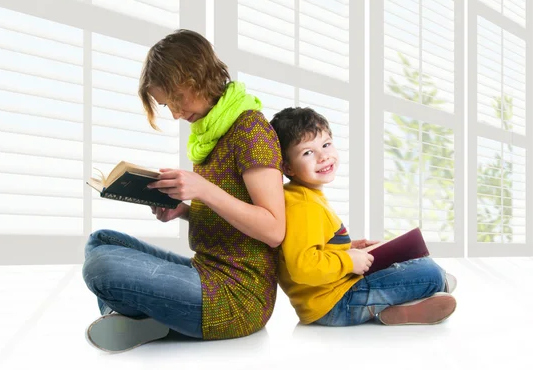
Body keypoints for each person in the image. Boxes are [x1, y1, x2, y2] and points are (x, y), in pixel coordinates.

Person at [82, 29, 286, 352]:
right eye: (168, 106)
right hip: (205, 270)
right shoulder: (209, 131)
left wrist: (203, 190)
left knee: (100, 268)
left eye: (175, 101)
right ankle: (148, 321)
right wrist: (185, 212)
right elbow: (228, 217)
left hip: (237, 296)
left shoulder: (251, 130)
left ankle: (140, 319)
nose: (175, 114)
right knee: (100, 241)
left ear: (194, 77)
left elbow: (274, 229)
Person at [269, 107, 457, 327]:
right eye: (307, 153)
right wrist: (348, 260)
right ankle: (421, 290)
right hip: (335, 304)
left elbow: (315, 247)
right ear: (287, 167)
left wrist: (349, 248)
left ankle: (398, 310)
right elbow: (302, 267)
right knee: (430, 273)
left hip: (333, 296)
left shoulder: (305, 196)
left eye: (326, 144)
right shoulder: (303, 205)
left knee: (412, 260)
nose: (323, 156)